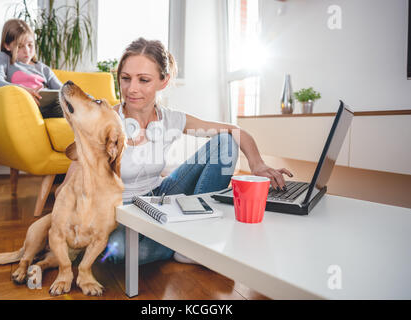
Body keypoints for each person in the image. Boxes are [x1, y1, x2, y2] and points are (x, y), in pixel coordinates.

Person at [59, 37, 293, 265]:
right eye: (126, 78)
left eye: (144, 80)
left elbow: (235, 131)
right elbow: (65, 188)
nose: (132, 89)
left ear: (164, 81)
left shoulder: (170, 119)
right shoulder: (103, 121)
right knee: (121, 252)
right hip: (119, 211)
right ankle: (190, 241)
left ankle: (195, 234)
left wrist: (258, 164)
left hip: (160, 195)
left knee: (226, 143)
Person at [0, 19, 63, 118]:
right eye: (20, 46)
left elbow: (63, 90)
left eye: (30, 45)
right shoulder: (4, 59)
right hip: (24, 107)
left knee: (72, 103)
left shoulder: (43, 69)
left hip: (48, 109)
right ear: (7, 46)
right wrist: (23, 90)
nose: (27, 51)